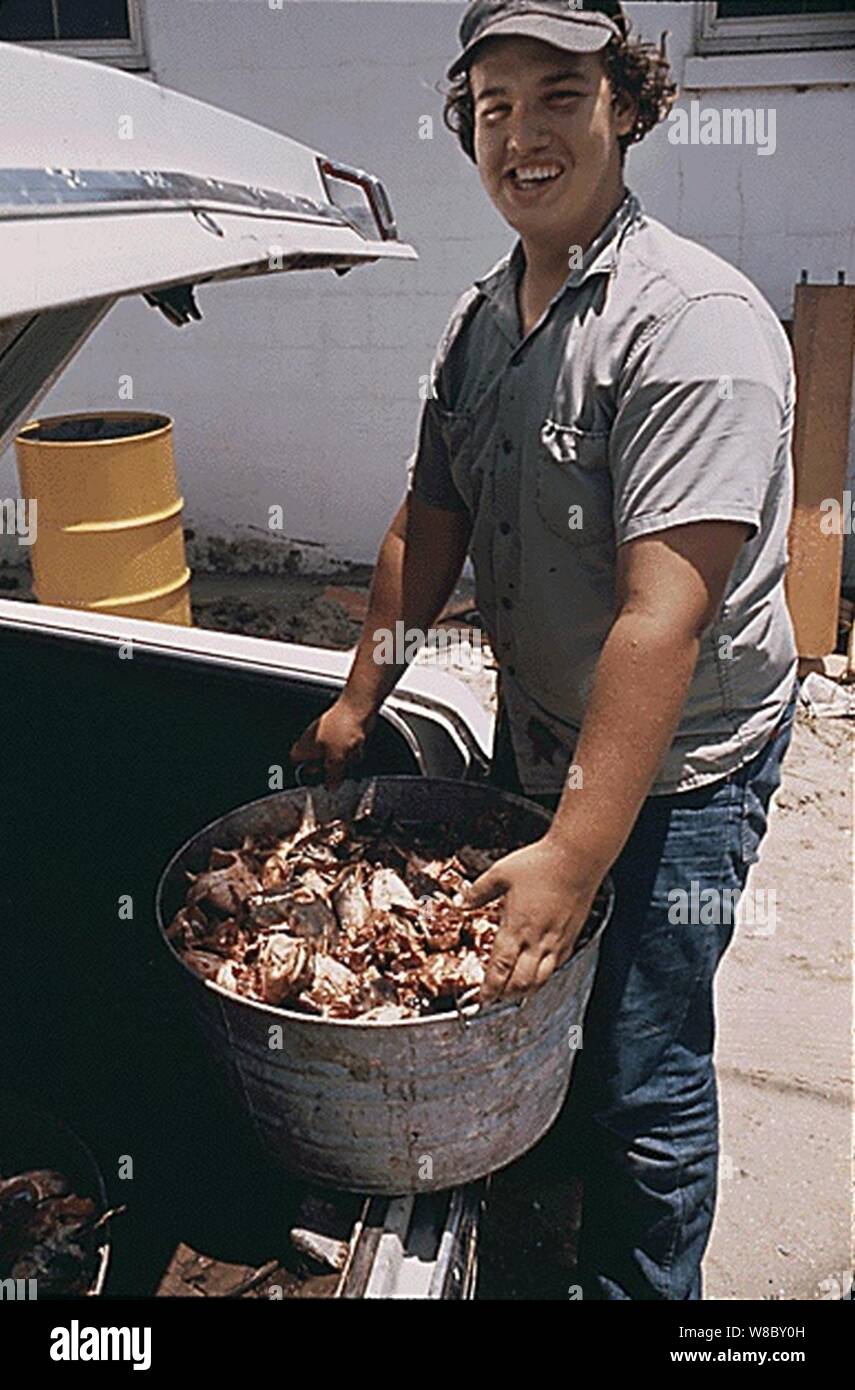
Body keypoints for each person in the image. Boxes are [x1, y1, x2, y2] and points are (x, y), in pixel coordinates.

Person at [291, 0, 798, 1300]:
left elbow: (661, 615)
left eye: (559, 95)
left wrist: (576, 853)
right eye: (494, 103)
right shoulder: (477, 326)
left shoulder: (697, 327)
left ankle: (646, 1289)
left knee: (643, 1057)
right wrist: (360, 696)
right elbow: (431, 520)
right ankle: (549, 1217)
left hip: (679, 764)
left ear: (628, 105)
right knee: (549, 1018)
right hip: (552, 734)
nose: (522, 132)